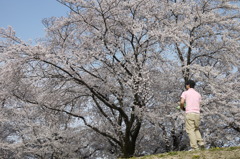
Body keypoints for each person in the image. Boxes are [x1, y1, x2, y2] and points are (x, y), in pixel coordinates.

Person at [180, 80, 205, 151]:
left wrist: (182, 108)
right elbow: (199, 104)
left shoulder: (185, 93)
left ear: (188, 85)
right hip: (197, 113)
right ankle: (201, 143)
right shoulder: (198, 94)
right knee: (196, 128)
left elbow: (182, 102)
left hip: (189, 113)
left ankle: (195, 147)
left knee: (190, 130)